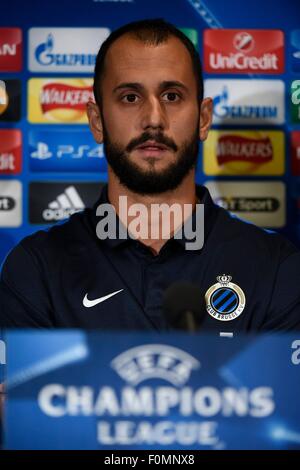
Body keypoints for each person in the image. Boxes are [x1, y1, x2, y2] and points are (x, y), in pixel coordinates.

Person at [0, 18, 300, 330]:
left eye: (172, 96)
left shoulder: (276, 268)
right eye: (130, 97)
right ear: (97, 121)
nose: (153, 119)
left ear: (204, 118)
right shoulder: (37, 268)